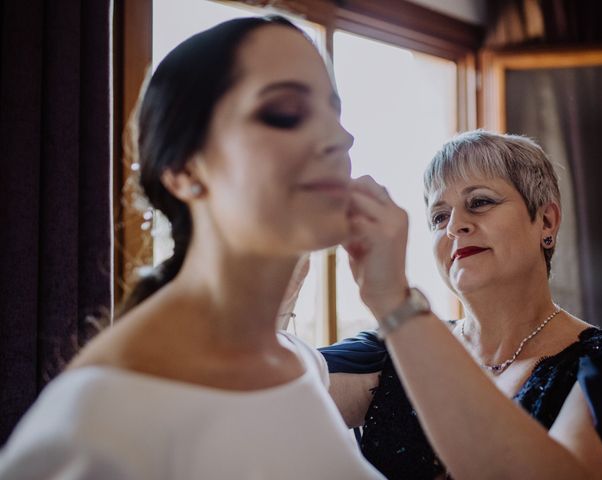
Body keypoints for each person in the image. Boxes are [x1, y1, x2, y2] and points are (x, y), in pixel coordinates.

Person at [0, 16, 384, 479]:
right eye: (284, 112)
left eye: (334, 113)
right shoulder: (99, 426)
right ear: (184, 170)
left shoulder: (294, 362)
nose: (341, 138)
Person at [320, 131, 602, 479]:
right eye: (439, 217)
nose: (455, 226)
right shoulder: (386, 355)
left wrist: (395, 301)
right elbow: (263, 395)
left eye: (480, 202)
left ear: (546, 221)